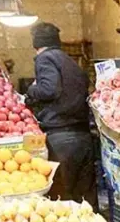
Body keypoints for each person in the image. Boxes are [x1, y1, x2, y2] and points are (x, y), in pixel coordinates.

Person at [26, 22, 98, 206]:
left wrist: (31, 90)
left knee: (62, 200)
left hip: (61, 139)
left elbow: (49, 89)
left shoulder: (44, 58)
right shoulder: (69, 61)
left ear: (36, 43)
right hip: (83, 137)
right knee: (86, 200)